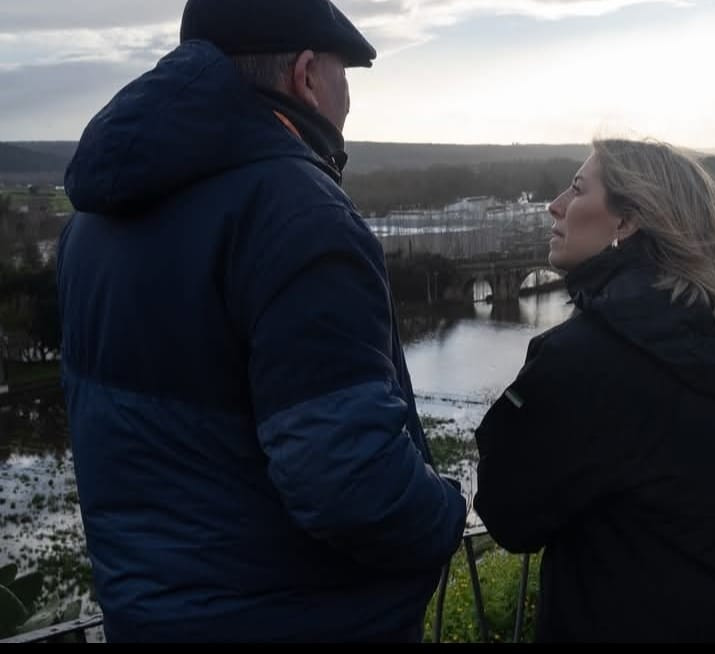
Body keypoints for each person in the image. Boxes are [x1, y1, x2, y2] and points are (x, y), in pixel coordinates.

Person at [57, 0, 465, 642]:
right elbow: (347, 478)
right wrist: (444, 514)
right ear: (306, 74)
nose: (347, 100)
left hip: (150, 616)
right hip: (301, 617)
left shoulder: (92, 221)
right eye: (343, 75)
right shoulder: (298, 214)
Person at [473, 139, 715, 642]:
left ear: (627, 222)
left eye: (578, 189)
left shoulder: (591, 355)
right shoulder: (704, 333)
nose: (555, 204)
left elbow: (508, 512)